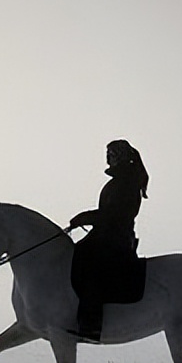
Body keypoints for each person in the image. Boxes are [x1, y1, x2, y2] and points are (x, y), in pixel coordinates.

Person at [69, 140, 149, 342]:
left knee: (90, 264)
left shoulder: (127, 182)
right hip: (106, 234)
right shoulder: (120, 181)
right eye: (107, 154)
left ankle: (91, 325)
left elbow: (115, 214)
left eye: (111, 154)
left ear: (121, 157)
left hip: (116, 238)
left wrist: (85, 217)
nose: (107, 158)